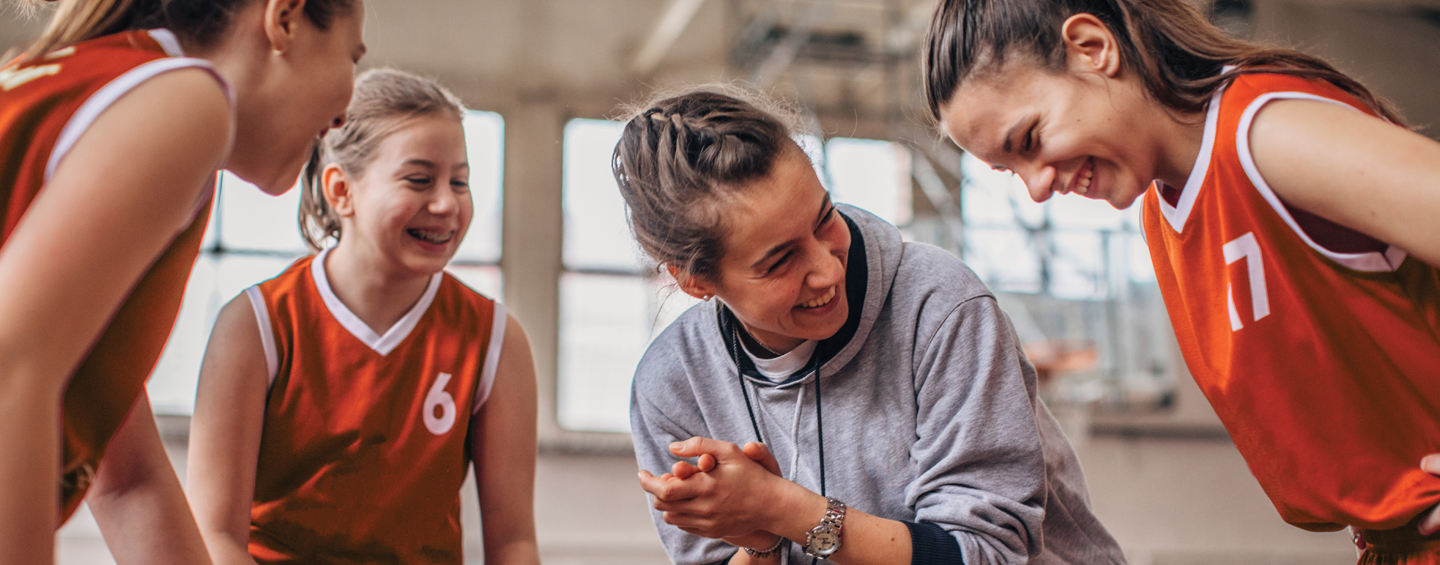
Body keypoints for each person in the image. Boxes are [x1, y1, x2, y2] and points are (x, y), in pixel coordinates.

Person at [921, 0, 1440, 561]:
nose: (1036, 187)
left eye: (1029, 139)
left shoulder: (1263, 133)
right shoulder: (1162, 212)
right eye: (1008, 171)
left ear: (1093, 49)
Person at [614, 89, 1126, 565]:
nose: (827, 270)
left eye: (824, 219)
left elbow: (987, 554)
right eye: (780, 261)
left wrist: (783, 509)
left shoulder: (940, 307)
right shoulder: (672, 384)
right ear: (694, 281)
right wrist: (760, 539)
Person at [0, 0, 364, 562]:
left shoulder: (75, 82)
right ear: (285, 18)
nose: (344, 114)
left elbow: (128, 480)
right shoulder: (186, 99)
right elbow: (10, 363)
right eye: (352, 57)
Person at [185, 68, 541, 565]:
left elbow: (514, 543)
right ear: (340, 190)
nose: (446, 203)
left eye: (459, 182)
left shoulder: (496, 339)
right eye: (419, 180)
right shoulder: (255, 325)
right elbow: (214, 535)